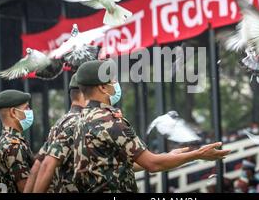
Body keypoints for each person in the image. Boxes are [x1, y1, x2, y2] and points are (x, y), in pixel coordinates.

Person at [72, 60, 231, 193]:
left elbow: (112, 166)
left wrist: (169, 155)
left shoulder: (80, 120)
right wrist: (198, 154)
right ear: (102, 87)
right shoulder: (110, 121)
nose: (115, 84)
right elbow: (153, 164)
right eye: (112, 80)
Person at [27, 73, 88, 193]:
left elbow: (37, 166)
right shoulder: (80, 123)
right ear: (86, 93)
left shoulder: (59, 123)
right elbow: (46, 166)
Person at [0, 90, 34, 193]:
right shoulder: (14, 146)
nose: (30, 111)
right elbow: (26, 189)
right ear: (13, 112)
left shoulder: (1, 143)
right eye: (26, 108)